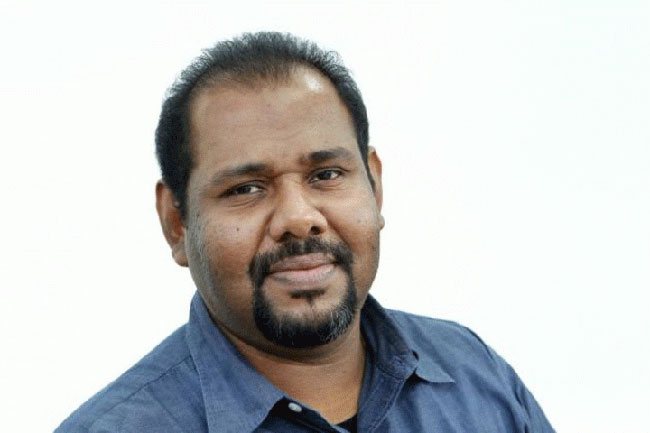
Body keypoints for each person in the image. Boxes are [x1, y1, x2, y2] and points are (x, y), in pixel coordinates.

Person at [55, 32, 554, 433]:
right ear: (176, 222)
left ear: (375, 186)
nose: (298, 218)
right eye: (246, 188)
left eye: (326, 175)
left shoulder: (474, 376)